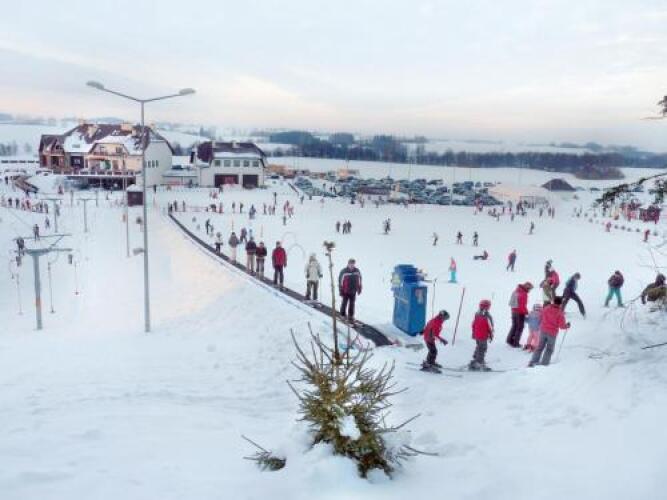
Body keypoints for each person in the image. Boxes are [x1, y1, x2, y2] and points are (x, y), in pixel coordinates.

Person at [529, 297, 570, 367]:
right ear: (560, 304)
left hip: (543, 330)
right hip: (552, 333)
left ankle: (533, 361)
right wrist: (567, 326)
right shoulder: (560, 313)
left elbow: (540, 317)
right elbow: (562, 326)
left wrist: (542, 323)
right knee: (549, 349)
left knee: (539, 347)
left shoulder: (546, 308)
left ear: (553, 301)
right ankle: (544, 363)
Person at [506, 282, 533, 347]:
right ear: (527, 287)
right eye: (530, 289)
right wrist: (527, 313)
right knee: (519, 328)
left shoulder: (516, 290)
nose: (530, 291)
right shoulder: (524, 294)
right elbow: (522, 306)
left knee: (514, 326)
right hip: (520, 313)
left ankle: (509, 340)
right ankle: (515, 343)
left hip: (513, 311)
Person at [469, 300, 493, 371]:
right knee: (482, 348)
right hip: (483, 335)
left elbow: (473, 324)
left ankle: (475, 359)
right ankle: (479, 363)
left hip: (477, 335)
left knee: (479, 346)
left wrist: (473, 332)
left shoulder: (477, 314)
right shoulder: (487, 316)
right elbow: (490, 327)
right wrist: (491, 335)